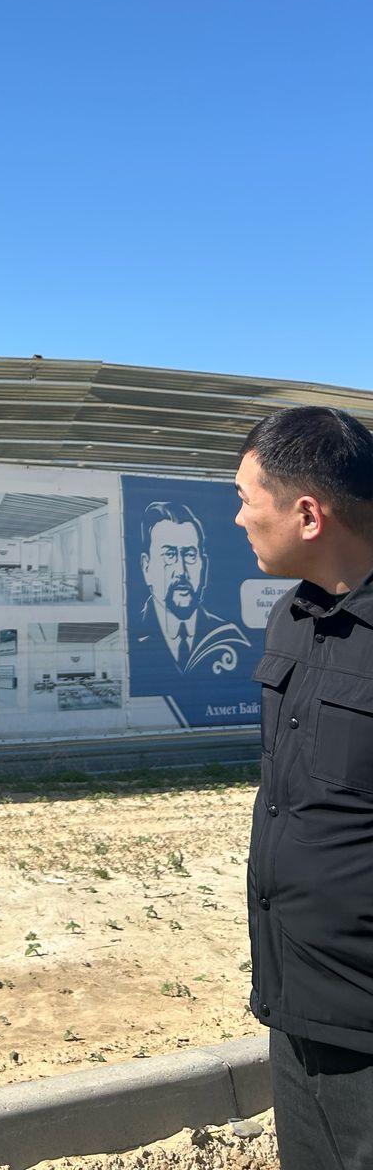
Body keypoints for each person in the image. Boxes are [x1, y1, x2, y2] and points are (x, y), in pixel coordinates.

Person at [236, 406, 373, 1170]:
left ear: (309, 515)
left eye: (247, 499)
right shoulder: (292, 618)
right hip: (296, 1003)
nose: (239, 517)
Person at [128, 500, 248, 700]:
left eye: (190, 555)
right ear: (146, 567)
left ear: (203, 565)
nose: (181, 571)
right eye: (169, 555)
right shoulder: (131, 638)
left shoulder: (230, 638)